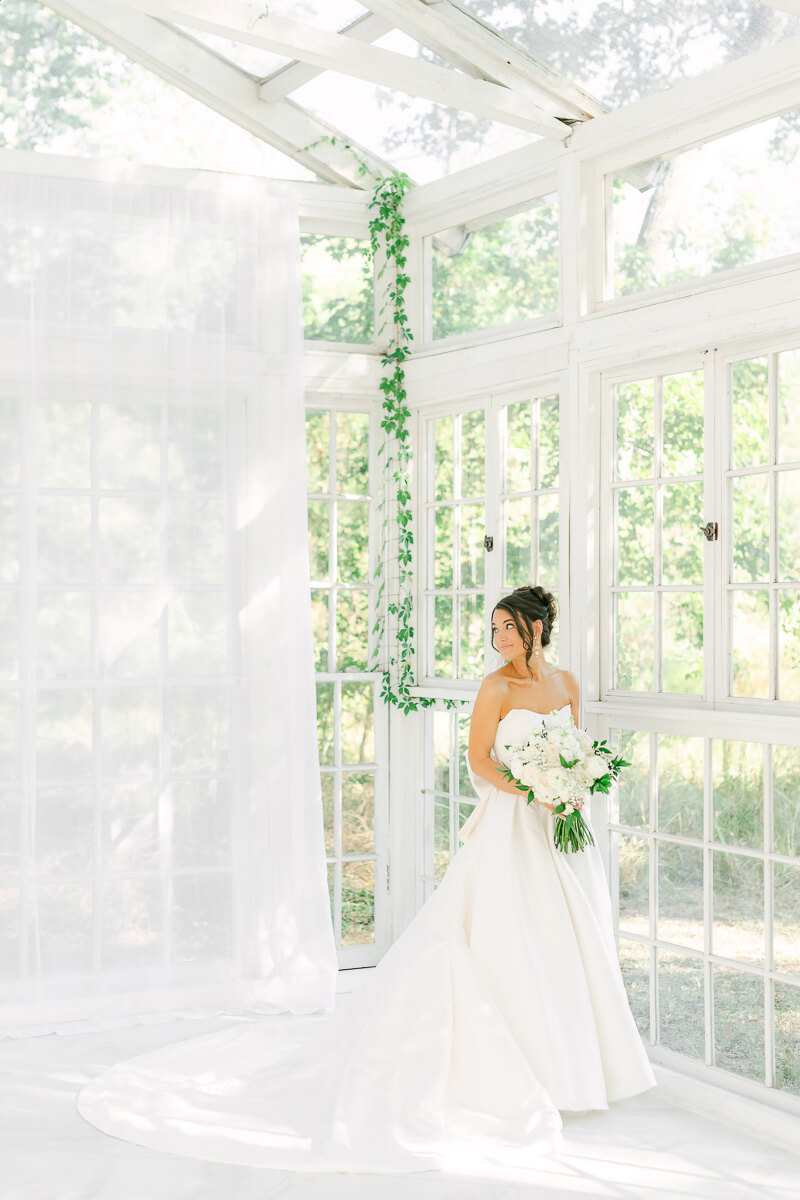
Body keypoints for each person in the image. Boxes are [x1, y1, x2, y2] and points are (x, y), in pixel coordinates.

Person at [76, 585, 655, 1173]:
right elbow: (481, 759)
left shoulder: (567, 685)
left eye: (509, 627)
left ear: (536, 628)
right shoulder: (495, 687)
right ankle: (509, 1067)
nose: (499, 638)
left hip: (560, 825)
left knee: (563, 939)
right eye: (494, 628)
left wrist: (568, 788)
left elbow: (576, 749)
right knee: (508, 937)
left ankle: (573, 1066)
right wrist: (532, 788)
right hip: (512, 823)